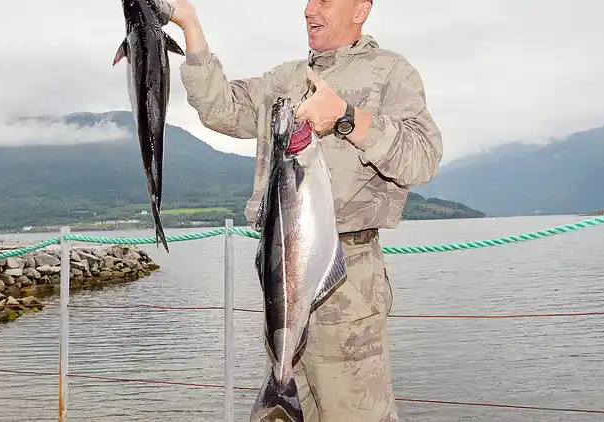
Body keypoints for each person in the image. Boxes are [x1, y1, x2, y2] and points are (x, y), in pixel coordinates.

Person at [164, 0, 443, 420]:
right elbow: (220, 109)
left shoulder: (391, 73)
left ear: (361, 9)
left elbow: (423, 158)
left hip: (349, 288)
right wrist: (189, 23)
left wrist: (346, 117)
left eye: (326, 0)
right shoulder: (285, 78)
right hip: (280, 271)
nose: (311, 9)